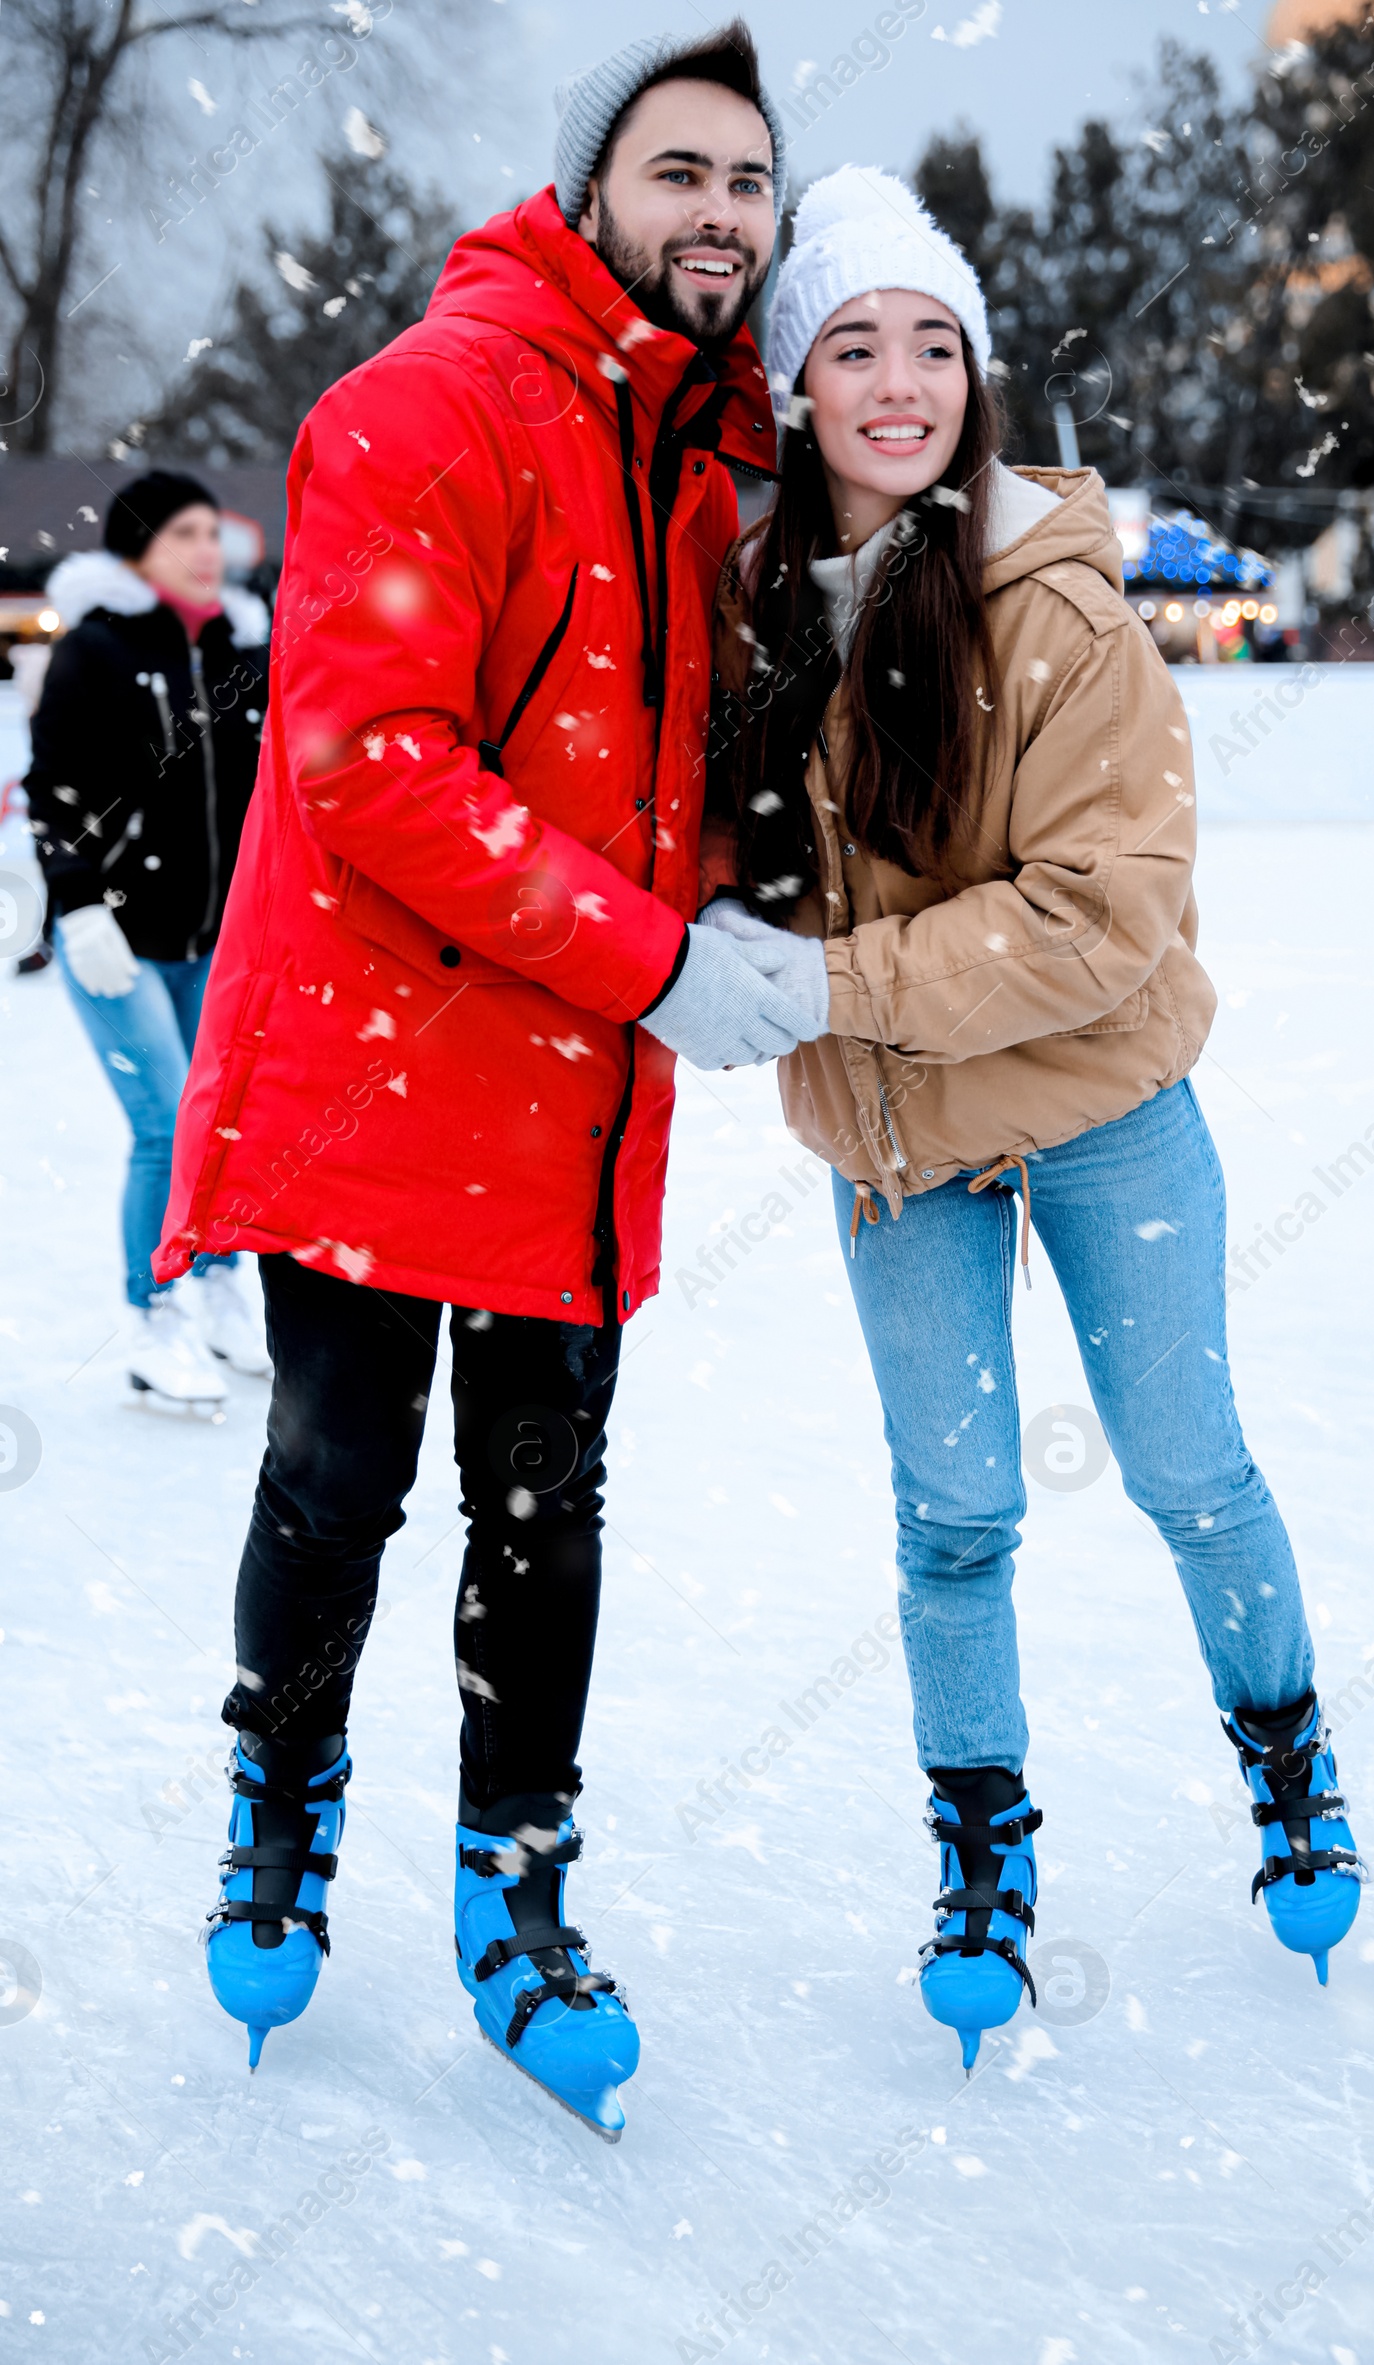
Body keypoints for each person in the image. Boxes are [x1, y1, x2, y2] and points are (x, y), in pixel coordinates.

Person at [154, 24, 820, 2131]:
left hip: (565, 1088)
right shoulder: (426, 402)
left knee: (542, 1509)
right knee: (339, 1481)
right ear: (587, 190)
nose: (715, 210)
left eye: (746, 180)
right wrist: (649, 958)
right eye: (675, 169)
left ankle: (517, 1883)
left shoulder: (729, 456)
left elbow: (693, 753)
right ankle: (282, 1797)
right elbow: (370, 766)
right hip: (375, 1056)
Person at [703, 167, 1366, 2073]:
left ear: (975, 377)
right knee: (957, 1516)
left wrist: (832, 987)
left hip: (1101, 1110)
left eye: (933, 343)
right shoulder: (758, 612)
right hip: (899, 1151)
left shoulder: (1056, 599)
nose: (898, 380)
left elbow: (1106, 916)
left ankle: (1288, 1758)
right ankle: (981, 1851)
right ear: (797, 385)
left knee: (1189, 1469)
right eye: (854, 343)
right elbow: (742, 872)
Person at [26, 474, 273, 1406]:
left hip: (222, 939)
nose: (207, 548)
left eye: (213, 531)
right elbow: (56, 794)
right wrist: (79, 905)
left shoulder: (245, 646)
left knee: (229, 1131)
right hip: (118, 938)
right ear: (138, 547)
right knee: (168, 1128)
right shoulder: (98, 649)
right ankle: (154, 1314)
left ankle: (219, 1293)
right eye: (183, 532)